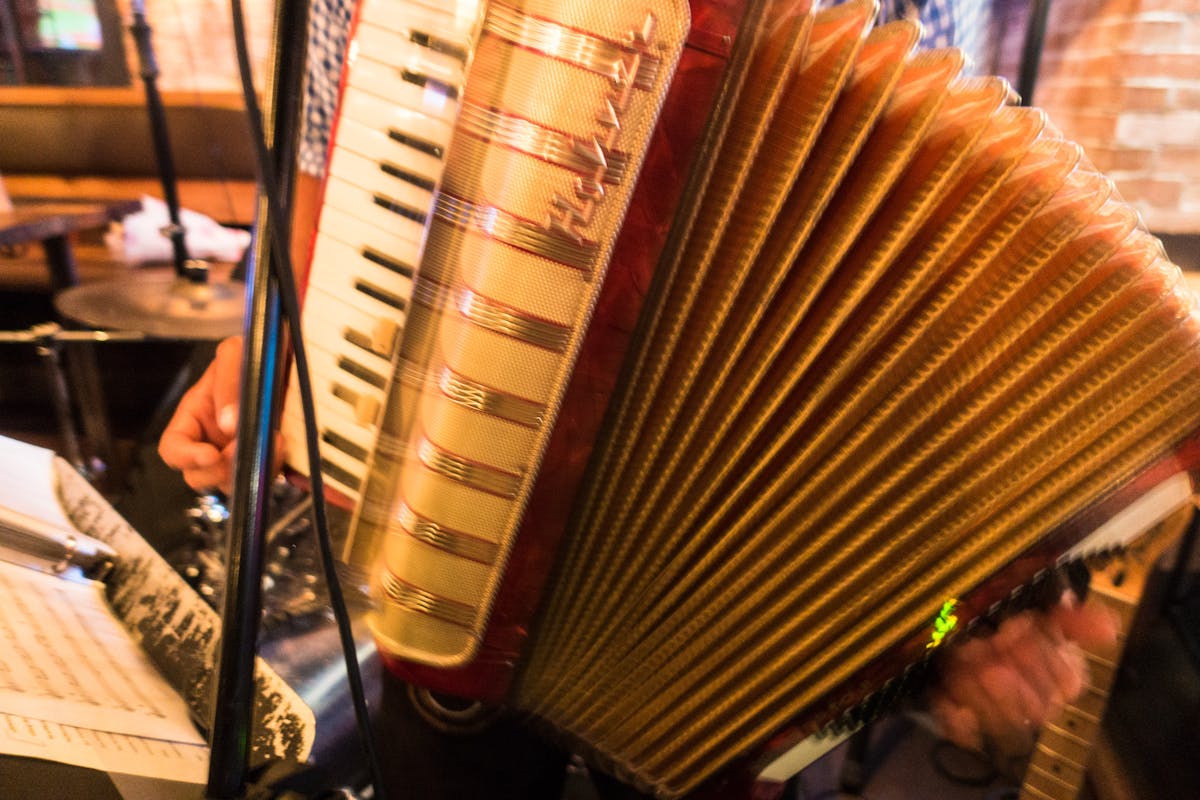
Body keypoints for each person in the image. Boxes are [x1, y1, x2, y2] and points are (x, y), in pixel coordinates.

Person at [157, 0, 1119, 793]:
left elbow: (916, 274)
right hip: (449, 534)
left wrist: (956, 603)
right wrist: (265, 342)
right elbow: (320, 186)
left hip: (732, 579)